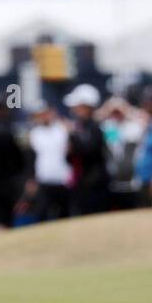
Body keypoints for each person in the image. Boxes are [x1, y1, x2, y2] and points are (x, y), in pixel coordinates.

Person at [63, 84, 108, 216]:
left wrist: (72, 136)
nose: (73, 109)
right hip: (82, 183)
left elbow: (90, 150)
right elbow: (71, 157)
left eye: (77, 106)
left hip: (95, 184)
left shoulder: (95, 127)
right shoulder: (80, 127)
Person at [27, 102, 71, 220]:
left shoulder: (62, 129)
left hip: (63, 178)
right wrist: (31, 179)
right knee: (42, 214)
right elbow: (31, 158)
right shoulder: (34, 133)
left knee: (64, 214)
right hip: (43, 179)